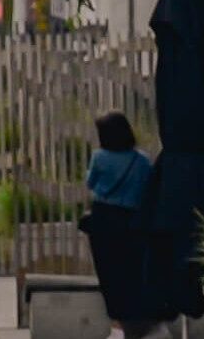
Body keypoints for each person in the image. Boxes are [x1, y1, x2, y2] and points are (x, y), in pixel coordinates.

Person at [85, 112, 160, 339]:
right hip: (132, 221)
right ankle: (139, 324)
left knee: (109, 274)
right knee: (132, 272)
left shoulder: (99, 157)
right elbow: (148, 189)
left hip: (103, 220)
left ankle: (117, 325)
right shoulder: (142, 160)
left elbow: (90, 183)